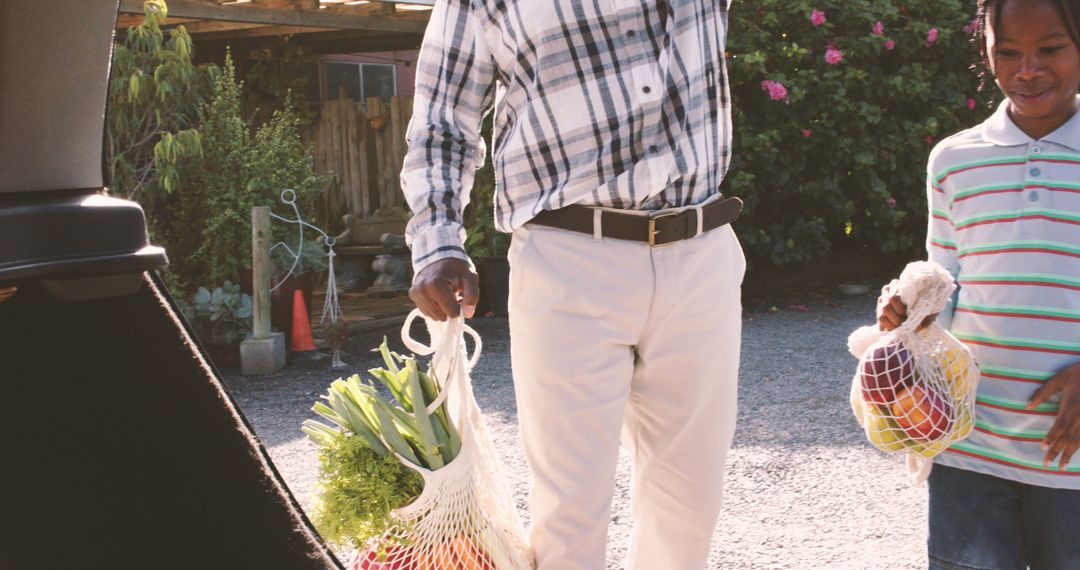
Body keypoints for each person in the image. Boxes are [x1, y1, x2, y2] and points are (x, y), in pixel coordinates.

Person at [400, 1, 745, 568]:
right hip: (568, 259)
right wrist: (438, 240)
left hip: (700, 251)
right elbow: (443, 118)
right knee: (568, 517)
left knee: (689, 510)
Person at [879, 0, 1080, 567]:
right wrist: (908, 308)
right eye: (1007, 51)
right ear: (985, 50)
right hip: (969, 447)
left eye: (1051, 49)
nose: (1027, 69)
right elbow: (943, 282)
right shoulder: (954, 160)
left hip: (1072, 459)